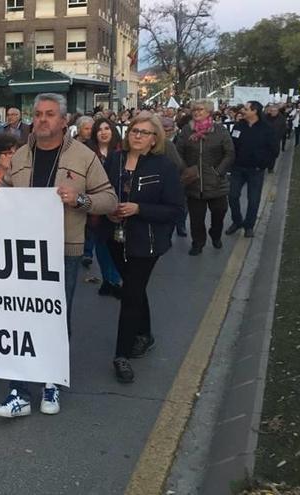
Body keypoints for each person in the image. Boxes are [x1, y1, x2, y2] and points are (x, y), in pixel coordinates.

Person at [0, 93, 117, 418]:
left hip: (63, 251)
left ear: (63, 121)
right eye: (38, 114)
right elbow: (4, 193)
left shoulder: (83, 157)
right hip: (21, 253)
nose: (42, 119)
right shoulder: (19, 156)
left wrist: (80, 200)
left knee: (55, 318)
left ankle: (50, 381)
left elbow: (110, 200)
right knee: (19, 318)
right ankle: (18, 391)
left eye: (49, 114)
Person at [102, 112, 185, 383]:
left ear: (154, 139)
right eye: (134, 130)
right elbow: (104, 192)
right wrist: (108, 211)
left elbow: (174, 210)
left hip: (146, 242)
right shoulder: (114, 160)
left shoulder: (163, 166)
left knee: (130, 293)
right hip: (115, 237)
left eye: (144, 132)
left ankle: (121, 355)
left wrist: (139, 208)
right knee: (135, 289)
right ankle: (145, 335)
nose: (137, 135)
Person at [176, 99, 235, 255]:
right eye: (194, 110)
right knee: (196, 218)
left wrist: (219, 171)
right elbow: (178, 153)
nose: (196, 112)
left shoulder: (220, 130)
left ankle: (215, 234)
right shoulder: (186, 131)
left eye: (200, 109)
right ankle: (198, 243)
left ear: (209, 112)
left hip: (216, 183)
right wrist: (186, 170)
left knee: (219, 212)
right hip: (194, 183)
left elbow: (229, 153)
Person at [226, 101, 277, 239]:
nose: (243, 110)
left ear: (254, 111)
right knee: (232, 196)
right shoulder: (239, 125)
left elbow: (273, 149)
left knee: (253, 200)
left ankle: (249, 226)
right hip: (238, 168)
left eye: (246, 109)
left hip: (256, 170)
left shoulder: (267, 128)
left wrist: (264, 164)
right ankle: (237, 221)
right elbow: (232, 144)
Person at [85, 117, 124, 298]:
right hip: (96, 207)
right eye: (99, 129)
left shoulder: (122, 151)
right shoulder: (88, 153)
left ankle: (115, 280)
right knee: (100, 244)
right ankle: (108, 280)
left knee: (116, 244)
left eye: (107, 128)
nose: (103, 132)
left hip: (118, 205)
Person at [160, 117, 188, 237]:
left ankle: (181, 224)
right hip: (163, 177)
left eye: (168, 129)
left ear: (174, 129)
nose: (166, 132)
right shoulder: (157, 141)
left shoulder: (181, 140)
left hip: (181, 175)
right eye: (163, 129)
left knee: (182, 203)